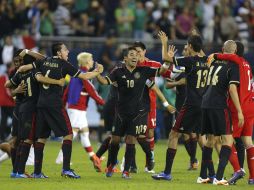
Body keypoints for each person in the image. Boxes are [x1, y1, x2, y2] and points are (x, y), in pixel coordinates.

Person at [17, 43, 103, 178]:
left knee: (41, 138)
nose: (67, 51)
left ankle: (37, 172)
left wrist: (26, 54)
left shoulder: (44, 61)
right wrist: (98, 71)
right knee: (68, 134)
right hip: (55, 105)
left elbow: (32, 63)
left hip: (41, 104)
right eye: (65, 49)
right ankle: (66, 169)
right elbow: (85, 77)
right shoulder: (64, 65)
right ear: (58, 53)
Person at [96, 47, 175, 179]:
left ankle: (126, 171)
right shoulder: (118, 72)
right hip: (120, 113)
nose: (135, 57)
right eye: (131, 54)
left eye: (136, 55)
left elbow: (161, 72)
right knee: (115, 140)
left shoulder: (144, 71)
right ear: (125, 58)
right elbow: (104, 82)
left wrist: (167, 61)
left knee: (131, 141)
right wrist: (97, 73)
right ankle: (111, 165)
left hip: (136, 113)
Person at [152, 31, 208, 181]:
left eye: (187, 46)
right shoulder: (208, 60)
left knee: (174, 134)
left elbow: (165, 58)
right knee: (203, 138)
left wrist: (164, 42)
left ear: (190, 46)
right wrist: (196, 38)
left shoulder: (190, 60)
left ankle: (167, 172)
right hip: (204, 105)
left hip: (190, 104)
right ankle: (210, 173)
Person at [5, 49, 65, 178]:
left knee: (22, 139)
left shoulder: (20, 73)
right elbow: (41, 66)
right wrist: (58, 82)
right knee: (27, 140)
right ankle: (20, 171)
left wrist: (16, 90)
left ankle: (16, 171)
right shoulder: (34, 71)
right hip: (31, 109)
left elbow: (7, 84)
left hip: (22, 108)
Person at [197, 40, 244, 185]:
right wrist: (239, 111)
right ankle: (219, 177)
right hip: (219, 105)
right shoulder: (233, 65)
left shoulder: (213, 62)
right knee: (228, 140)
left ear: (223, 49)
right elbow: (232, 89)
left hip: (205, 103)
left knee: (210, 140)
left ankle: (203, 176)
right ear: (235, 52)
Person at [212, 41, 254, 185]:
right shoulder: (247, 64)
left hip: (239, 108)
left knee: (227, 140)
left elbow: (227, 56)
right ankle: (252, 178)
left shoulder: (237, 61)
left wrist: (214, 55)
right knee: (248, 141)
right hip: (250, 106)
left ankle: (237, 170)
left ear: (235, 52)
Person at [55, 52, 105, 172]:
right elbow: (92, 92)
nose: (92, 61)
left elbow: (67, 91)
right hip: (77, 109)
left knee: (84, 133)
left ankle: (93, 157)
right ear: (87, 62)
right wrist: (104, 103)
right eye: (91, 59)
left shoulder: (76, 74)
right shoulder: (83, 75)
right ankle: (60, 158)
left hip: (76, 108)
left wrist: (63, 103)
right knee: (72, 134)